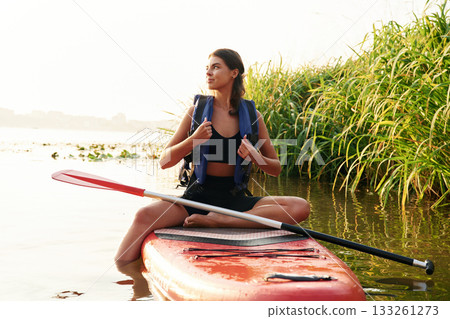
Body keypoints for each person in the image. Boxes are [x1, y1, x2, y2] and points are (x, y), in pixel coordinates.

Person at [115, 49, 310, 267]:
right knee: (143, 215)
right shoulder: (194, 113)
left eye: (216, 67)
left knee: (300, 206)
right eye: (207, 68)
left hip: (234, 199)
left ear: (234, 73)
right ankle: (123, 275)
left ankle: (221, 221)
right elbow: (164, 161)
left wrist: (255, 155)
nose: (209, 72)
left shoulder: (253, 116)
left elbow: (275, 168)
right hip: (196, 197)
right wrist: (193, 140)